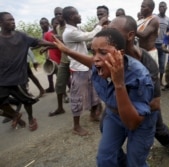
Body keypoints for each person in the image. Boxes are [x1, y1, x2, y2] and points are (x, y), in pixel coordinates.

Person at [53, 27, 157, 167]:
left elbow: (132, 123)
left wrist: (119, 83)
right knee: (105, 159)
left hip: (140, 121)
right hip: (114, 116)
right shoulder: (99, 64)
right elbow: (90, 62)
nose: (96, 58)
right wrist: (66, 51)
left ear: (119, 54)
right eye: (93, 52)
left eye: (102, 52)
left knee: (135, 163)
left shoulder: (138, 77)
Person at [108, 15, 169, 159]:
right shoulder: (111, 56)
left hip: (145, 105)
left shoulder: (146, 61)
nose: (110, 36)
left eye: (114, 31)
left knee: (158, 128)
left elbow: (155, 103)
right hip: (121, 103)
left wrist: (131, 111)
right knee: (107, 127)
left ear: (130, 35)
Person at [0, 12, 55, 131]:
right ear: (1, 23)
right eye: (9, 20)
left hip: (19, 77)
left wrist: (55, 45)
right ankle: (15, 115)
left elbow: (38, 42)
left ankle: (30, 118)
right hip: (2, 79)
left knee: (26, 101)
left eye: (13, 19)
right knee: (1, 104)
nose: (13, 22)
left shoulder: (21, 36)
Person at [62, 6, 106, 136]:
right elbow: (89, 36)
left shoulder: (76, 29)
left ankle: (93, 114)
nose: (80, 15)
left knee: (93, 92)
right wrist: (99, 24)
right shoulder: (69, 32)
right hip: (79, 69)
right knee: (77, 97)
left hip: (86, 66)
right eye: (77, 13)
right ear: (71, 17)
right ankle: (76, 126)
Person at [49, 6, 70, 117]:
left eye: (60, 13)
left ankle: (93, 107)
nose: (58, 16)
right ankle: (60, 108)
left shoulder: (70, 26)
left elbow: (71, 42)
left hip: (74, 59)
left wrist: (60, 39)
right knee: (59, 83)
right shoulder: (57, 28)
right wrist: (47, 47)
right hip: (64, 60)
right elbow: (59, 44)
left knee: (82, 83)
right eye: (56, 14)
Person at [137, 0, 159, 65]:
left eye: (143, 7)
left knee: (151, 74)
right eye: (141, 6)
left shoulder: (154, 20)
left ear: (150, 9)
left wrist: (130, 28)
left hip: (150, 53)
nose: (141, 8)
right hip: (141, 53)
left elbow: (144, 35)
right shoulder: (141, 21)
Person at [43, 17, 61, 93]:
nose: (57, 25)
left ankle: (69, 89)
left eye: (58, 23)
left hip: (62, 55)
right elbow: (45, 45)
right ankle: (63, 94)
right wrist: (46, 55)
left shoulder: (62, 33)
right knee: (57, 74)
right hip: (53, 57)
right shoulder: (47, 34)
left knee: (63, 77)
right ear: (52, 24)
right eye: (55, 23)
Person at [155, 1, 169, 86]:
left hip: (163, 45)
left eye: (163, 6)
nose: (162, 8)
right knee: (153, 64)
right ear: (158, 8)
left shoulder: (168, 19)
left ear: (166, 8)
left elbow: (168, 31)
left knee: (162, 64)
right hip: (154, 44)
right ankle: (154, 81)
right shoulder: (154, 18)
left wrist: (166, 40)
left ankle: (160, 81)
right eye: (160, 6)